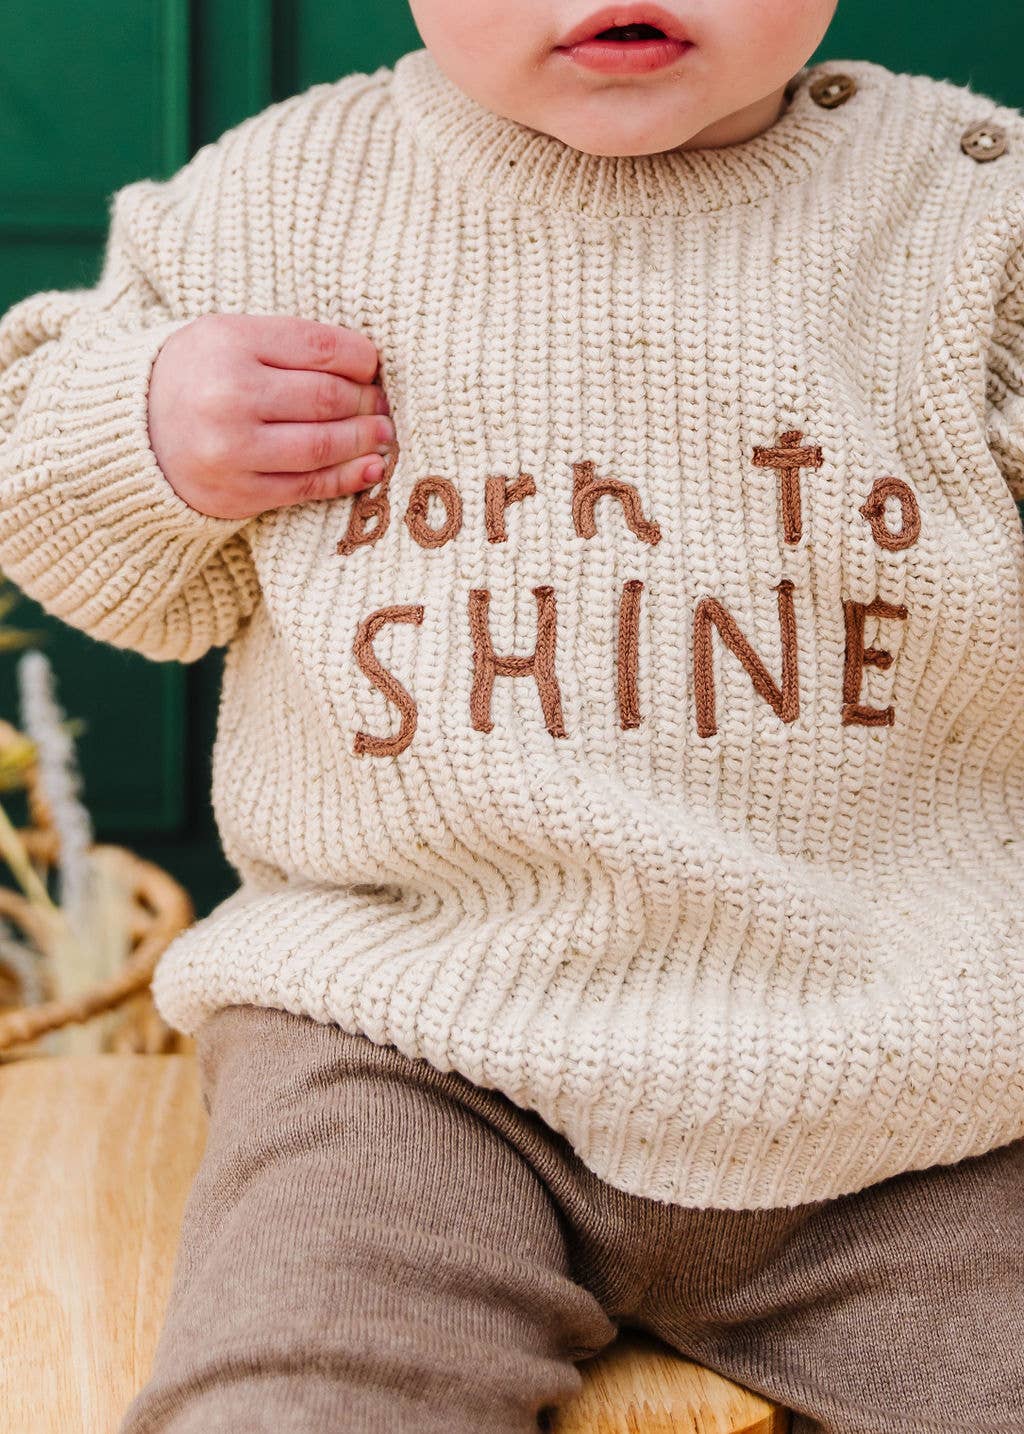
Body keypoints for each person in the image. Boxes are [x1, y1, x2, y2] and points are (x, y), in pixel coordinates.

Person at [1, 1, 1023, 1429]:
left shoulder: (969, 212)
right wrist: (148, 431)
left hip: (913, 1070)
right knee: (299, 1392)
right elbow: (62, 513)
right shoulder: (276, 201)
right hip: (411, 1046)